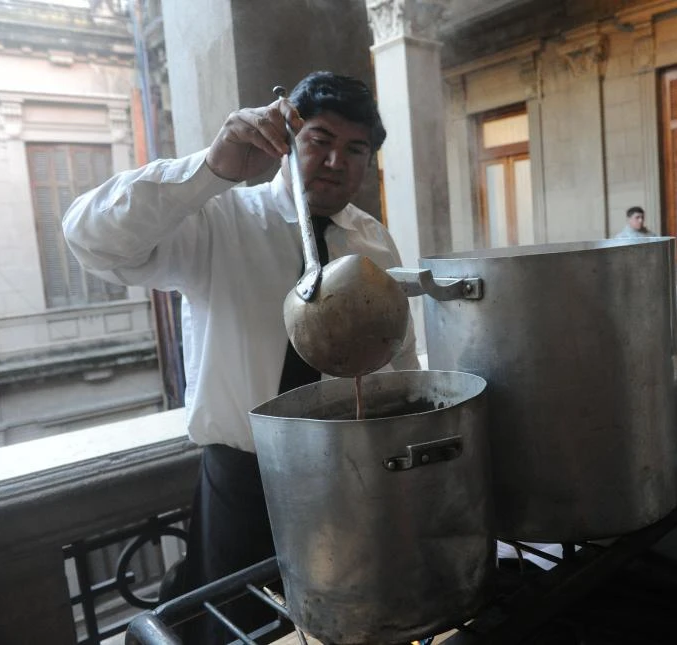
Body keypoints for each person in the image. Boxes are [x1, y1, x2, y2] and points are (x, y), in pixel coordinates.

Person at [63, 71, 419, 642]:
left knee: (349, 620)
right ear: (286, 142)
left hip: (349, 474)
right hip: (244, 478)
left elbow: (397, 354)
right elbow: (91, 238)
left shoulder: (371, 239)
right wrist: (213, 168)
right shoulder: (221, 218)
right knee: (240, 627)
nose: (335, 162)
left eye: (355, 150)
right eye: (319, 141)